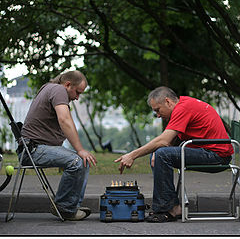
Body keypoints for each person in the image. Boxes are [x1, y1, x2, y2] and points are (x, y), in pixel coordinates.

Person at [115, 86, 233, 223]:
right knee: (159, 153)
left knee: (162, 154)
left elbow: (164, 140)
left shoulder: (182, 108)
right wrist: (157, 152)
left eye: (157, 110)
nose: (158, 115)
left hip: (217, 156)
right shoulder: (183, 105)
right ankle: (173, 206)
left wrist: (132, 155)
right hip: (210, 151)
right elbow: (169, 140)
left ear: (168, 102)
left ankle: (167, 209)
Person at [18, 70, 97, 221]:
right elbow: (65, 120)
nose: (77, 98)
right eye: (77, 92)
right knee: (76, 161)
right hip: (33, 150)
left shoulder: (50, 88)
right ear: (68, 85)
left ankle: (71, 206)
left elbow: (65, 121)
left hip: (37, 148)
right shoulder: (59, 90)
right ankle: (64, 208)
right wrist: (80, 149)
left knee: (83, 161)